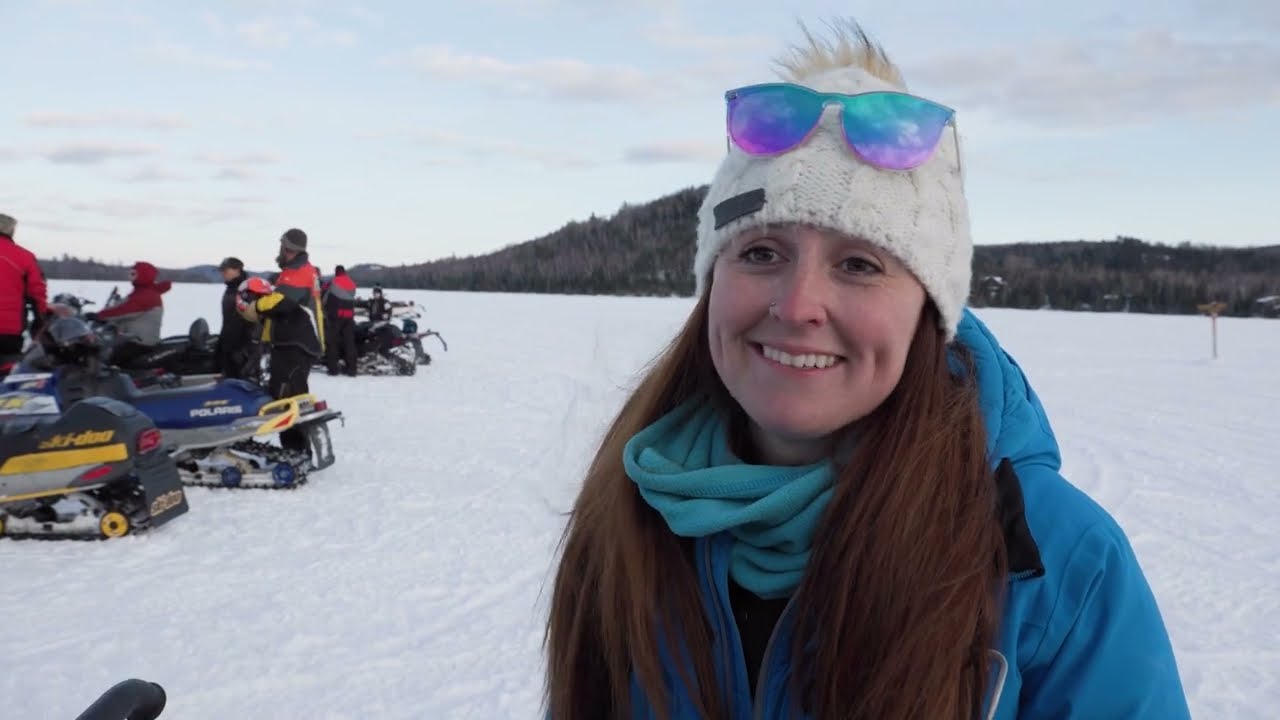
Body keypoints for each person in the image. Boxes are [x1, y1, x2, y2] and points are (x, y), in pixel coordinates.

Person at [542, 19, 1191, 720]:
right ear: (712, 281)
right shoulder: (632, 507)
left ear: (928, 314)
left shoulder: (1057, 561)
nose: (797, 306)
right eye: (760, 253)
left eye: (859, 265)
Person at [238, 228, 325, 456]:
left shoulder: (298, 272)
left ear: (290, 249)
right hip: (293, 342)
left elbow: (282, 303)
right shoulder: (297, 270)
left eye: (285, 248)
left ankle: (297, 452)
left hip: (296, 344)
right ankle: (296, 449)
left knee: (288, 398)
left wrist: (254, 307)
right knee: (288, 394)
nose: (282, 252)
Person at [87, 261, 171, 363]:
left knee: (108, 359)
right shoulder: (141, 291)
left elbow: (123, 311)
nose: (129, 276)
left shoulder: (147, 295)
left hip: (141, 342)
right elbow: (121, 305)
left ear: (143, 275)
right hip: (132, 338)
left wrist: (98, 316)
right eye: (130, 273)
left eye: (133, 274)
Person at [0, 212, 49, 354]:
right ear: (11, 230)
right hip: (8, 331)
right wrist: (40, 321)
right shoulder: (25, 257)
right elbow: (37, 293)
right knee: (7, 372)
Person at [214, 257, 260, 382]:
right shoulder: (230, 289)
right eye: (221, 271)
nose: (223, 274)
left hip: (242, 351)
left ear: (237, 270)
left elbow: (253, 323)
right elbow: (229, 321)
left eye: (225, 270)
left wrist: (244, 350)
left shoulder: (247, 290)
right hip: (229, 346)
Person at [322, 264, 358, 376]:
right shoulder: (352, 283)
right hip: (349, 317)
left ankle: (333, 369)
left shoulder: (333, 282)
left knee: (332, 342)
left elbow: (324, 296)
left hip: (336, 317)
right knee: (349, 343)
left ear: (336, 272)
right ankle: (352, 369)